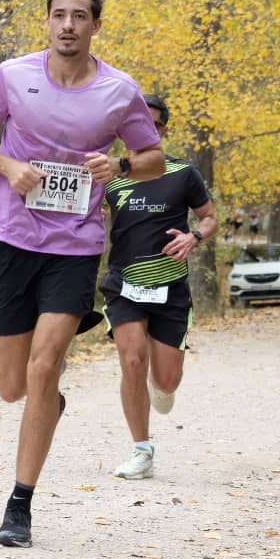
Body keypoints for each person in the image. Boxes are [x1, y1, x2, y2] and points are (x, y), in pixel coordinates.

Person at [0, 0, 165, 547]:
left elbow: (152, 156)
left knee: (44, 367)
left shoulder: (119, 91)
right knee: (12, 387)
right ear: (47, 22)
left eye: (79, 16)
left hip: (74, 245)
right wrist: (6, 166)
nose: (68, 25)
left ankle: (19, 507)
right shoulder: (13, 76)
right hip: (12, 237)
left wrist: (120, 166)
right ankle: (48, 404)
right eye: (59, 15)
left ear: (95, 26)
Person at [100, 94, 218, 480]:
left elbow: (210, 218)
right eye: (134, 123)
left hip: (170, 287)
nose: (142, 130)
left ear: (162, 130)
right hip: (123, 283)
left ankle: (159, 383)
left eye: (151, 124)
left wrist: (194, 237)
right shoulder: (111, 176)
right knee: (132, 360)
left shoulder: (183, 173)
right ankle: (141, 450)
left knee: (166, 382)